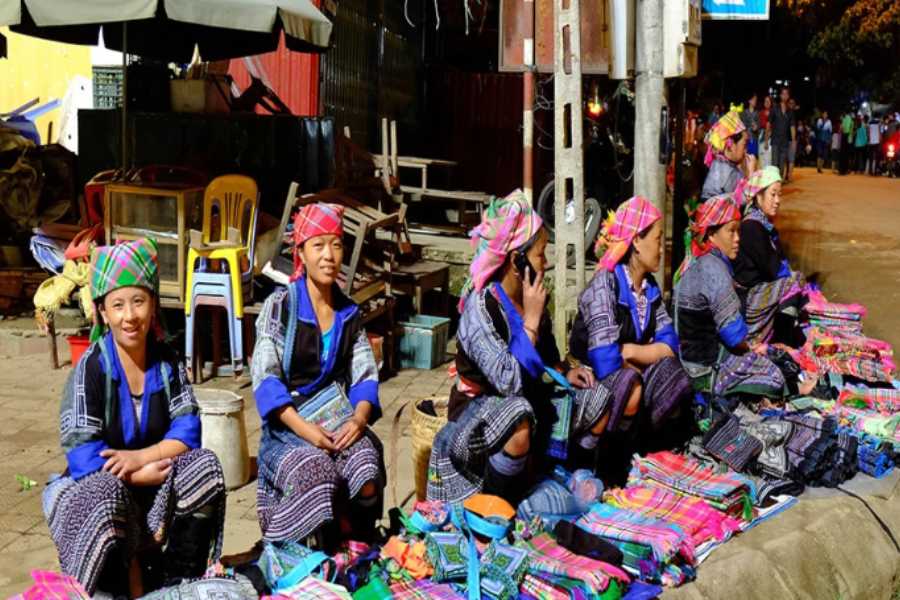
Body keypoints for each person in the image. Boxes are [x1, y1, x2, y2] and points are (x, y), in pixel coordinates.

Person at [43, 239, 226, 598]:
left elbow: (188, 431)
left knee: (204, 466)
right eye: (118, 305)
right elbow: (83, 455)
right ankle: (109, 591)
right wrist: (139, 474)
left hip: (154, 480)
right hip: (101, 489)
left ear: (153, 305)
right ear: (102, 312)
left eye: (139, 301)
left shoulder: (168, 361)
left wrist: (143, 457)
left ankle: (178, 585)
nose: (130, 316)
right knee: (102, 490)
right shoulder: (90, 369)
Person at [427, 191, 609, 504]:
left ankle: (565, 475)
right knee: (518, 413)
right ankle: (501, 502)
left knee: (598, 396)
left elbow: (549, 358)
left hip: (527, 395)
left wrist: (568, 370)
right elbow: (507, 381)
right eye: (540, 254)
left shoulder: (533, 295)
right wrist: (532, 322)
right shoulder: (480, 307)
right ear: (516, 260)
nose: (546, 261)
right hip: (480, 408)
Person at [251, 203, 384, 546]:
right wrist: (306, 430)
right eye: (318, 245)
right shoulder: (281, 307)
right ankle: (300, 551)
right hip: (289, 429)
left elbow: (365, 373)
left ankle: (358, 548)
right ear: (301, 253)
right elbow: (266, 379)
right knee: (316, 472)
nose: (329, 256)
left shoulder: (349, 312)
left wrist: (358, 420)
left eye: (336, 245)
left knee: (367, 463)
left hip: (338, 422)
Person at [568, 197, 693, 448]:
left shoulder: (650, 288)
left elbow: (669, 346)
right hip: (591, 378)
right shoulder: (606, 283)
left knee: (676, 376)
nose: (661, 248)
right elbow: (605, 361)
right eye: (657, 240)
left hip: (628, 369)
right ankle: (611, 462)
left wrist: (629, 351)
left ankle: (648, 450)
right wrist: (641, 359)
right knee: (630, 385)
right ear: (636, 240)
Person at [674, 195, 797, 402]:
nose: (738, 238)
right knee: (774, 376)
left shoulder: (698, 263)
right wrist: (754, 348)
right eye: (731, 231)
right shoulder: (714, 269)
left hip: (690, 360)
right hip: (704, 371)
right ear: (711, 235)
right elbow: (734, 336)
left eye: (738, 230)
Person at [732, 166, 807, 346]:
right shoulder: (752, 227)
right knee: (794, 282)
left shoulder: (763, 225)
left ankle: (782, 334)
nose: (777, 201)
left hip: (759, 290)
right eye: (773, 194)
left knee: (795, 283)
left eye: (779, 195)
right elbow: (776, 269)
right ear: (758, 196)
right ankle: (781, 341)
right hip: (748, 298)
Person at [701, 109, 749, 201]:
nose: (746, 150)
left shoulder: (723, 163)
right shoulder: (725, 171)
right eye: (744, 145)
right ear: (731, 145)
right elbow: (741, 200)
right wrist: (750, 175)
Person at [767, 87, 795, 179]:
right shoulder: (774, 108)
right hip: (775, 140)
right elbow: (768, 124)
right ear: (780, 95)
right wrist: (767, 139)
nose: (785, 95)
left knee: (782, 166)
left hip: (785, 142)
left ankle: (778, 186)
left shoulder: (790, 111)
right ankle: (773, 186)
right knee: (774, 165)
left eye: (786, 94)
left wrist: (793, 141)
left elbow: (792, 127)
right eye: (783, 93)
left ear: (788, 96)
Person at [741, 93, 761, 160]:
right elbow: (742, 127)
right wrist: (744, 134)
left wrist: (756, 128)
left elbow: (759, 128)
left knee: (752, 158)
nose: (755, 101)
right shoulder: (744, 113)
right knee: (744, 158)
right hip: (746, 139)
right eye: (753, 99)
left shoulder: (757, 113)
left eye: (756, 100)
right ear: (749, 101)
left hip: (754, 139)